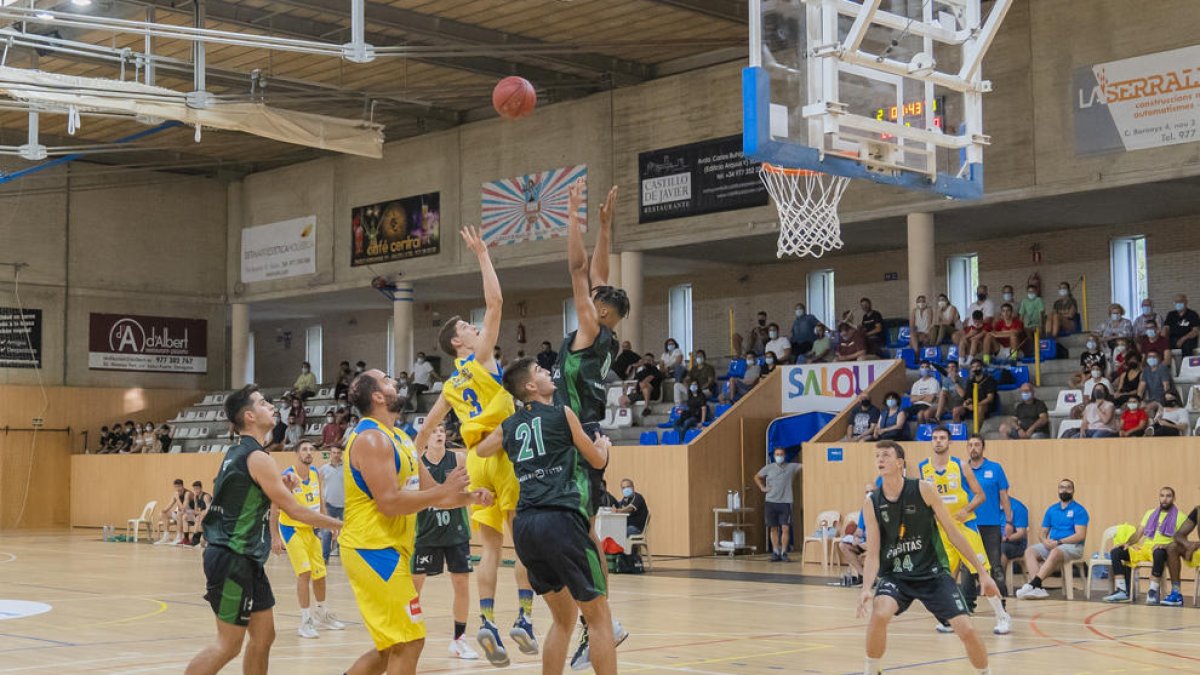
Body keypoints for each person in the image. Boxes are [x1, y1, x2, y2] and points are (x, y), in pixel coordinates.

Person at [413, 226, 536, 667]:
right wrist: (483, 255)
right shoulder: (480, 357)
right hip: (503, 454)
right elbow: (497, 303)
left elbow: (426, 428)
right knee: (522, 545)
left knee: (488, 550)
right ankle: (523, 618)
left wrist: (411, 454)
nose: (474, 325)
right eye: (467, 327)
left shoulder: (449, 384)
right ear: (459, 344)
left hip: (475, 462)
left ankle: (486, 624)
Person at [341, 370, 492, 675]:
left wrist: (468, 497)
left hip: (391, 548)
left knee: (390, 648)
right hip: (371, 550)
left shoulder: (399, 438)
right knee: (410, 641)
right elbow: (389, 503)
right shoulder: (371, 439)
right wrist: (442, 490)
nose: (394, 381)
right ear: (377, 397)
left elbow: (432, 495)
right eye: (386, 380)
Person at [185, 384, 342, 675]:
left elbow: (243, 494)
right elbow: (294, 510)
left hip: (246, 559)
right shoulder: (259, 458)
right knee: (228, 645)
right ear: (249, 416)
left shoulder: (241, 453)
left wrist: (280, 487)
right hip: (232, 558)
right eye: (262, 403)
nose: (271, 406)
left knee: (264, 635)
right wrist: (342, 524)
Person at [477, 357, 618, 675]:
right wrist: (604, 446)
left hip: (525, 528)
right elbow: (595, 461)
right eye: (540, 371)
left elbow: (483, 450)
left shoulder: (509, 424)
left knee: (562, 619)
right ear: (530, 386)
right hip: (561, 521)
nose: (547, 373)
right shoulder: (562, 413)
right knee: (598, 616)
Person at [546, 179, 631, 669]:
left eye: (595, 296)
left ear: (600, 311)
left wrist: (574, 211)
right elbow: (598, 270)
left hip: (578, 442)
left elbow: (580, 268)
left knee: (582, 531)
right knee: (584, 530)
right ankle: (599, 617)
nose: (590, 291)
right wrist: (603, 224)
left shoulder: (590, 326)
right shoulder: (603, 331)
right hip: (580, 436)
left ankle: (602, 619)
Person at [858, 441, 1000, 675]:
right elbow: (873, 553)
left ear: (900, 463)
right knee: (879, 614)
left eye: (886, 455)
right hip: (896, 575)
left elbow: (954, 532)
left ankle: (985, 672)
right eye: (877, 456)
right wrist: (865, 588)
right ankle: (871, 671)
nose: (880, 460)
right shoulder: (871, 502)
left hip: (932, 574)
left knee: (966, 630)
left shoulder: (923, 489)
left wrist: (982, 573)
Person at [917, 428, 1009, 633]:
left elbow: (980, 495)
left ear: (949, 442)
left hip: (963, 526)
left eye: (942, 438)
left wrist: (965, 510)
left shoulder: (960, 466)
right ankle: (948, 618)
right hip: (941, 529)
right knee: (942, 577)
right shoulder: (924, 468)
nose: (938, 441)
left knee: (982, 571)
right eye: (935, 438)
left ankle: (1002, 616)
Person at [413, 423, 479, 660]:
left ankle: (459, 639)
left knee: (461, 584)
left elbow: (464, 493)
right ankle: (408, 634)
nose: (439, 434)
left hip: (456, 532)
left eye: (441, 430)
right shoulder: (418, 463)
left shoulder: (458, 459)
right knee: (414, 587)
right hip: (426, 532)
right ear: (425, 439)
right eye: (433, 431)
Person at [269, 441, 345, 639]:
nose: (309, 452)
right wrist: (275, 536)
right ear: (296, 453)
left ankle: (321, 612)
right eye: (304, 449)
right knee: (305, 573)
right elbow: (275, 506)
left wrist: (328, 523)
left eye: (312, 449)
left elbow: (320, 502)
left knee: (320, 574)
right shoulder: (287, 476)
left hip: (311, 530)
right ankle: (305, 620)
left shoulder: (315, 473)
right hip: (291, 529)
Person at [1103, 486, 1186, 605]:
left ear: (1174, 498)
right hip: (1145, 549)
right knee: (1116, 551)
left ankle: (1152, 592)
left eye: (1168, 496)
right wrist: (1128, 543)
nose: (1165, 499)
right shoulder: (1150, 513)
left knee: (1158, 552)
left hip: (1163, 550)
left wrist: (1165, 545)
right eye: (1162, 496)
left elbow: (1182, 541)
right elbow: (1138, 533)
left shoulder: (1180, 517)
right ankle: (1121, 590)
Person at [1015, 479, 1089, 600]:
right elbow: (1042, 532)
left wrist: (1059, 542)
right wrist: (1045, 541)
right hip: (1053, 544)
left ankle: (1034, 584)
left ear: (1073, 491)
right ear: (1058, 490)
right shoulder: (1052, 509)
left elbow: (1080, 535)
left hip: (1072, 546)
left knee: (1055, 551)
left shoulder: (1079, 510)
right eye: (1061, 487)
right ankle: (1038, 589)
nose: (1064, 490)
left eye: (1068, 487)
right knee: (1029, 551)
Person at [965, 436, 1012, 599]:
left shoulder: (995, 468)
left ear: (983, 448)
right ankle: (968, 605)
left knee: (995, 566)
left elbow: (1004, 496)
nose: (973, 448)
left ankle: (1002, 603)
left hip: (991, 525)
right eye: (970, 445)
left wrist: (1009, 521)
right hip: (968, 525)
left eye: (977, 445)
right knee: (968, 567)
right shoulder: (962, 469)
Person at [755, 447, 802, 562]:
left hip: (785, 502)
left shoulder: (791, 467)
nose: (779, 456)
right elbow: (757, 477)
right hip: (771, 502)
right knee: (773, 528)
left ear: (784, 455)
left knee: (785, 528)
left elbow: (804, 465)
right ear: (774, 456)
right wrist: (762, 487)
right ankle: (775, 551)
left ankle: (784, 552)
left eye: (781, 454)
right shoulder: (769, 468)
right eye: (777, 454)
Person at [838, 483, 874, 585]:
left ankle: (873, 577)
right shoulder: (864, 510)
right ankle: (862, 575)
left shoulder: (883, 509)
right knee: (843, 545)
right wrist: (856, 538)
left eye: (872, 492)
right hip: (863, 542)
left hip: (877, 544)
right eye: (867, 492)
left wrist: (871, 544)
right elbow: (859, 530)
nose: (869, 494)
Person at [1165, 504, 1200, 608]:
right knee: (1172, 547)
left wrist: (1196, 545)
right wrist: (1189, 545)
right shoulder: (1198, 510)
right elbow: (1178, 535)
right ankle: (1176, 592)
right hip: (1196, 548)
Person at [317, 445, 344, 562]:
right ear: (330, 454)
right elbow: (316, 483)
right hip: (329, 505)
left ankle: (344, 557)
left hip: (345, 505)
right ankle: (324, 557)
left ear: (341, 454)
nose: (336, 455)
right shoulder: (323, 469)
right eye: (334, 452)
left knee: (346, 533)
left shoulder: (347, 468)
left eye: (338, 452)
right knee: (326, 532)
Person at [155, 478, 196, 546]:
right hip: (182, 514)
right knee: (163, 513)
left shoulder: (188, 493)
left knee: (180, 513)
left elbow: (183, 508)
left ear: (182, 486)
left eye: (179, 486)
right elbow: (169, 506)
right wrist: (163, 511)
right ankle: (166, 536)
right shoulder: (176, 493)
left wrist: (177, 498)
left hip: (191, 515)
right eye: (176, 487)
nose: (177, 488)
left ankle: (179, 537)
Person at [1001, 495, 1029, 572]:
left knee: (999, 549)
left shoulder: (1017, 507)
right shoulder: (990, 507)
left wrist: (1005, 538)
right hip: (994, 540)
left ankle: (998, 581)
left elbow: (1021, 533)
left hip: (1014, 543)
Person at [1017, 285, 1045, 349]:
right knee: (1026, 331)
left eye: (1033, 292)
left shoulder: (1039, 300)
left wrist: (1041, 325)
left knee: (1039, 332)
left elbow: (1041, 313)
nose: (1031, 293)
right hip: (1029, 325)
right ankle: (1033, 348)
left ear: (1036, 292)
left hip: (1038, 323)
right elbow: (1021, 315)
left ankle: (1040, 348)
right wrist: (1019, 326)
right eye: (1029, 292)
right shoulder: (1024, 301)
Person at [187, 480, 213, 547]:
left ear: (201, 488)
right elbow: (196, 511)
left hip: (211, 515)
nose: (196, 490)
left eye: (197, 489)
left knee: (199, 517)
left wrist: (200, 513)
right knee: (187, 516)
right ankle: (190, 538)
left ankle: (197, 539)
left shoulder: (206, 496)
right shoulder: (197, 497)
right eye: (194, 489)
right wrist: (195, 501)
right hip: (201, 515)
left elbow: (209, 509)